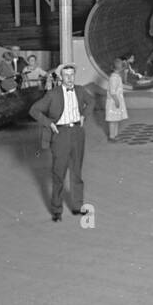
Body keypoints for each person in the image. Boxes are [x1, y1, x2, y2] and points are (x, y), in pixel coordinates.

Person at [29, 64, 93, 222]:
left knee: (77, 172)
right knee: (59, 174)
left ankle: (78, 206)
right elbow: (34, 110)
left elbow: (91, 102)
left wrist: (84, 115)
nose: (70, 78)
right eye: (66, 75)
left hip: (77, 133)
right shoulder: (53, 94)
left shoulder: (80, 90)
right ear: (60, 77)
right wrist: (49, 123)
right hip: (60, 134)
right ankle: (57, 209)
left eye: (72, 75)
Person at [104, 56, 128, 142]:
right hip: (113, 102)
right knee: (112, 120)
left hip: (117, 101)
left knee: (116, 119)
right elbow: (112, 92)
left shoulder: (117, 77)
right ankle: (111, 136)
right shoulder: (114, 78)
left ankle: (115, 134)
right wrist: (117, 100)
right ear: (119, 68)